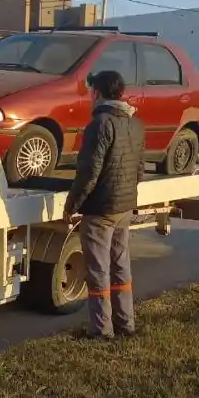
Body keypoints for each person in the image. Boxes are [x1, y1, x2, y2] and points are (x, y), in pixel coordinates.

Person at [63, 70, 145, 339]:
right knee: (121, 267)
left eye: (91, 92)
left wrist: (72, 204)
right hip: (124, 207)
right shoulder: (136, 124)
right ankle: (126, 325)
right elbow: (139, 170)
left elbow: (89, 172)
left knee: (98, 272)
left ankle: (102, 332)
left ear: (97, 93)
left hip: (100, 210)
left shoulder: (100, 124)